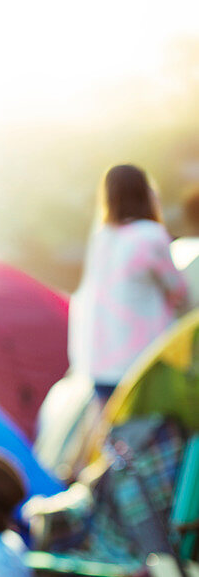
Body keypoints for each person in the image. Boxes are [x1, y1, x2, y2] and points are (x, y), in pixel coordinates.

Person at [69, 164, 188, 404]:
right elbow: (179, 293)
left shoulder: (102, 236)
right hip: (140, 365)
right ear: (145, 193)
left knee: (112, 437)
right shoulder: (151, 234)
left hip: (99, 361)